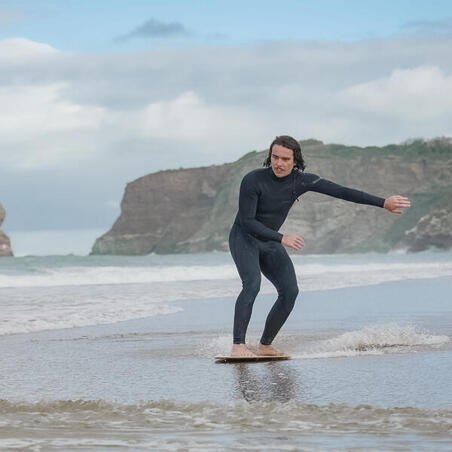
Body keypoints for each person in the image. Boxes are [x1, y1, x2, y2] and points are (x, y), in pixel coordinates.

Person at [229, 135, 411, 357]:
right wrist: (281, 237)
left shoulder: (301, 181)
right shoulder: (253, 180)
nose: (278, 163)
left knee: (290, 292)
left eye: (285, 159)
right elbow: (248, 222)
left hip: (270, 241)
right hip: (244, 237)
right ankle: (238, 345)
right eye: (275, 157)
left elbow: (342, 191)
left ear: (295, 160)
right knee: (252, 285)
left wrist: (383, 202)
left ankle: (265, 345)